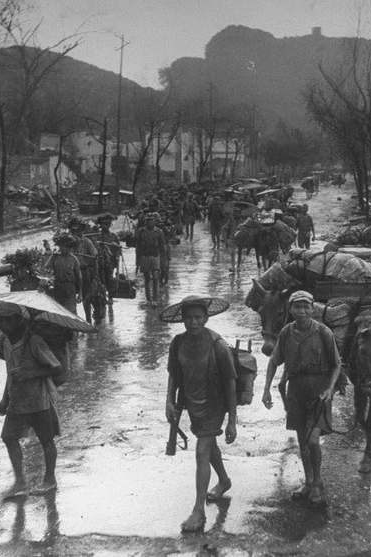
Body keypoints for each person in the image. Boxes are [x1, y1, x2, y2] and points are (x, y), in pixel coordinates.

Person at [163, 295, 237, 532]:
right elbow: (174, 374)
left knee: (202, 449)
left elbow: (231, 385)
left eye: (198, 317)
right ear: (182, 320)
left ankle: (198, 511)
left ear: (206, 318)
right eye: (188, 318)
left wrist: (232, 422)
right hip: (192, 403)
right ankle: (224, 480)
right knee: (208, 443)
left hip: (215, 404)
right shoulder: (178, 343)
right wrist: (169, 401)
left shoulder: (218, 346)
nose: (193, 322)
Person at [262, 290, 342, 508]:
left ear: (312, 308)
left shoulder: (323, 332)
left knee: (313, 440)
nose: (302, 311)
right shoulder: (287, 333)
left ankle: (318, 482)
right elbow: (273, 361)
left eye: (306, 306)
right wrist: (267, 389)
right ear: (290, 309)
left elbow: (336, 363)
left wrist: (330, 389)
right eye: (297, 307)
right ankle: (307, 482)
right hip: (296, 390)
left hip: (319, 391)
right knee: (302, 441)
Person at [0, 302, 63, 499]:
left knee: (46, 440)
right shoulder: (5, 340)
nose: (2, 324)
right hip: (17, 399)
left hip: (39, 400)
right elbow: (10, 372)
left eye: (7, 320)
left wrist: (31, 373)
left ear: (18, 321)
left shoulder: (35, 341)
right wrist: (4, 400)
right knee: (8, 437)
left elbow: (56, 368)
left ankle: (50, 479)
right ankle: (20, 481)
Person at [68, 218, 99, 324]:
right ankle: (72, 321)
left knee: (86, 296)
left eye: (79, 230)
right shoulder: (68, 241)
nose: (76, 233)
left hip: (84, 270)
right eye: (74, 231)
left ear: (82, 231)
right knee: (70, 296)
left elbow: (94, 255)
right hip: (71, 272)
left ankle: (88, 320)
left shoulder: (86, 241)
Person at [43, 233, 83, 314]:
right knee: (60, 312)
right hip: (58, 288)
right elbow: (46, 271)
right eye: (61, 246)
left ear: (69, 247)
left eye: (65, 246)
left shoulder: (74, 259)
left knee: (72, 312)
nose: (63, 248)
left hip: (70, 289)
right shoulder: (54, 258)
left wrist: (80, 294)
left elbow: (79, 278)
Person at [135, 212, 166, 307]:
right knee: (147, 278)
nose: (150, 222)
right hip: (144, 256)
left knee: (156, 277)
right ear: (145, 222)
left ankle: (155, 299)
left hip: (155, 256)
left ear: (154, 221)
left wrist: (163, 261)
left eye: (151, 220)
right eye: (148, 220)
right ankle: (148, 299)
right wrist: (137, 260)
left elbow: (162, 246)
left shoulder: (159, 232)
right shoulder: (141, 231)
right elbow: (138, 246)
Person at [96, 213, 121, 304]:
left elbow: (119, 250)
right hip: (98, 261)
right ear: (101, 225)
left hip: (110, 262)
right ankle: (101, 296)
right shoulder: (96, 235)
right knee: (99, 279)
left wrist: (116, 248)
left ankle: (110, 297)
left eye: (107, 224)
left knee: (109, 278)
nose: (105, 226)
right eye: (104, 224)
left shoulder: (114, 236)